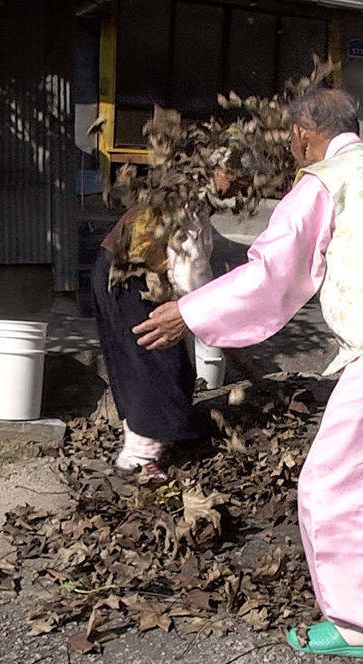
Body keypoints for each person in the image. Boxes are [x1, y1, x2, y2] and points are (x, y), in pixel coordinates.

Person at [134, 88, 363, 657]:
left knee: (339, 482)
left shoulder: (323, 180)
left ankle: (356, 622)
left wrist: (189, 311)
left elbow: (275, 274)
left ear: (299, 133)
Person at [92, 166, 234, 480]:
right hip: (130, 282)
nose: (236, 189)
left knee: (144, 364)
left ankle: (158, 438)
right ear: (215, 172)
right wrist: (204, 312)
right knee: (153, 364)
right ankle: (140, 457)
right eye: (233, 178)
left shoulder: (187, 194)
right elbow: (189, 270)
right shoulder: (188, 201)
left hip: (116, 273)